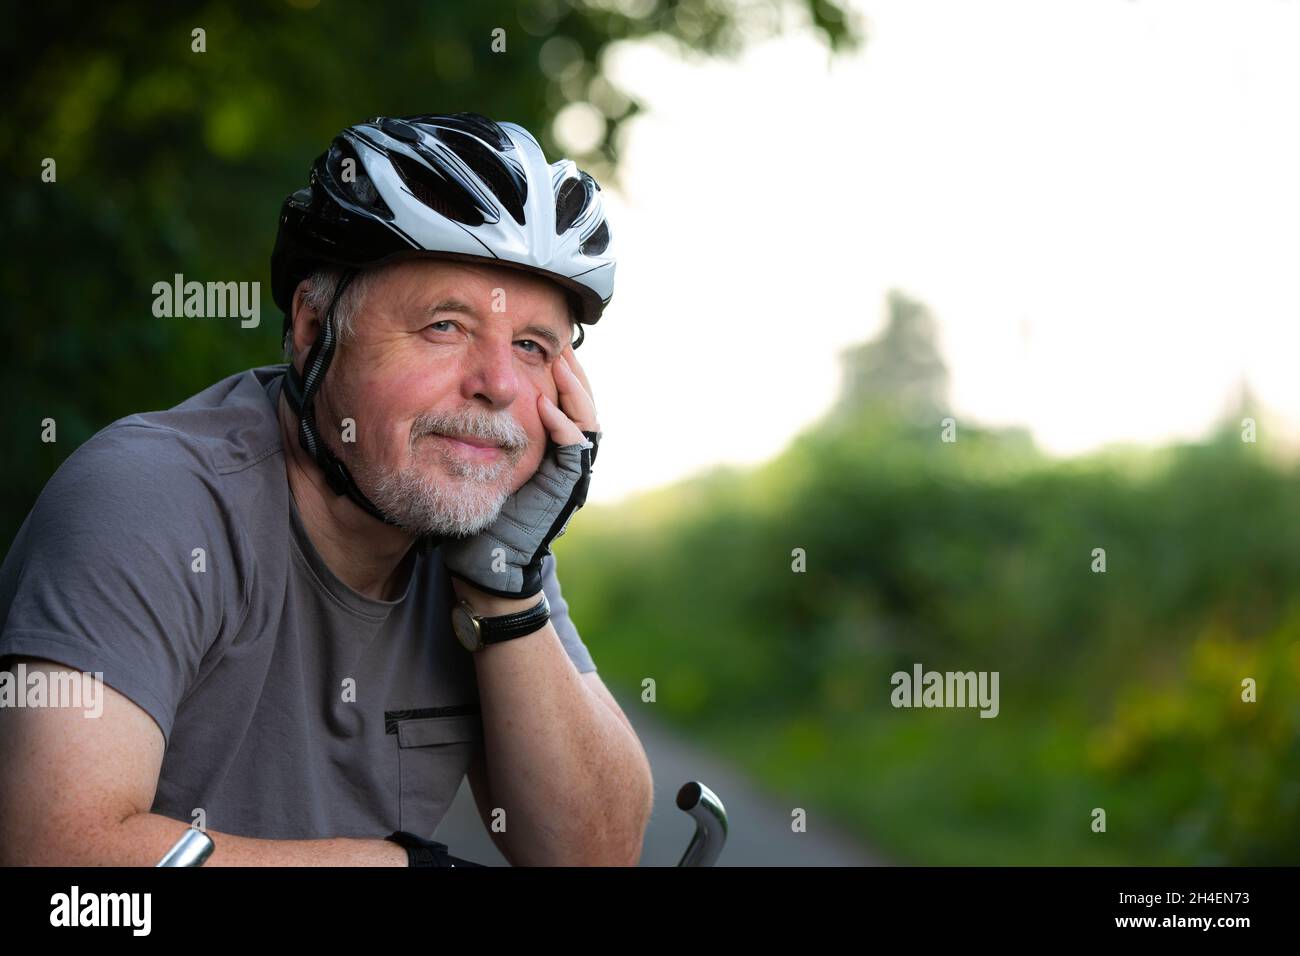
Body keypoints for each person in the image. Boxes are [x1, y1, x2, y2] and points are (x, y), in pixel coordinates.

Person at [0, 112, 654, 866]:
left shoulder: (481, 539)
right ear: (314, 329)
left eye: (533, 347)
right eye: (445, 326)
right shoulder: (153, 498)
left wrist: (507, 593)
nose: (499, 385)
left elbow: (593, 857)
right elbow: (60, 872)